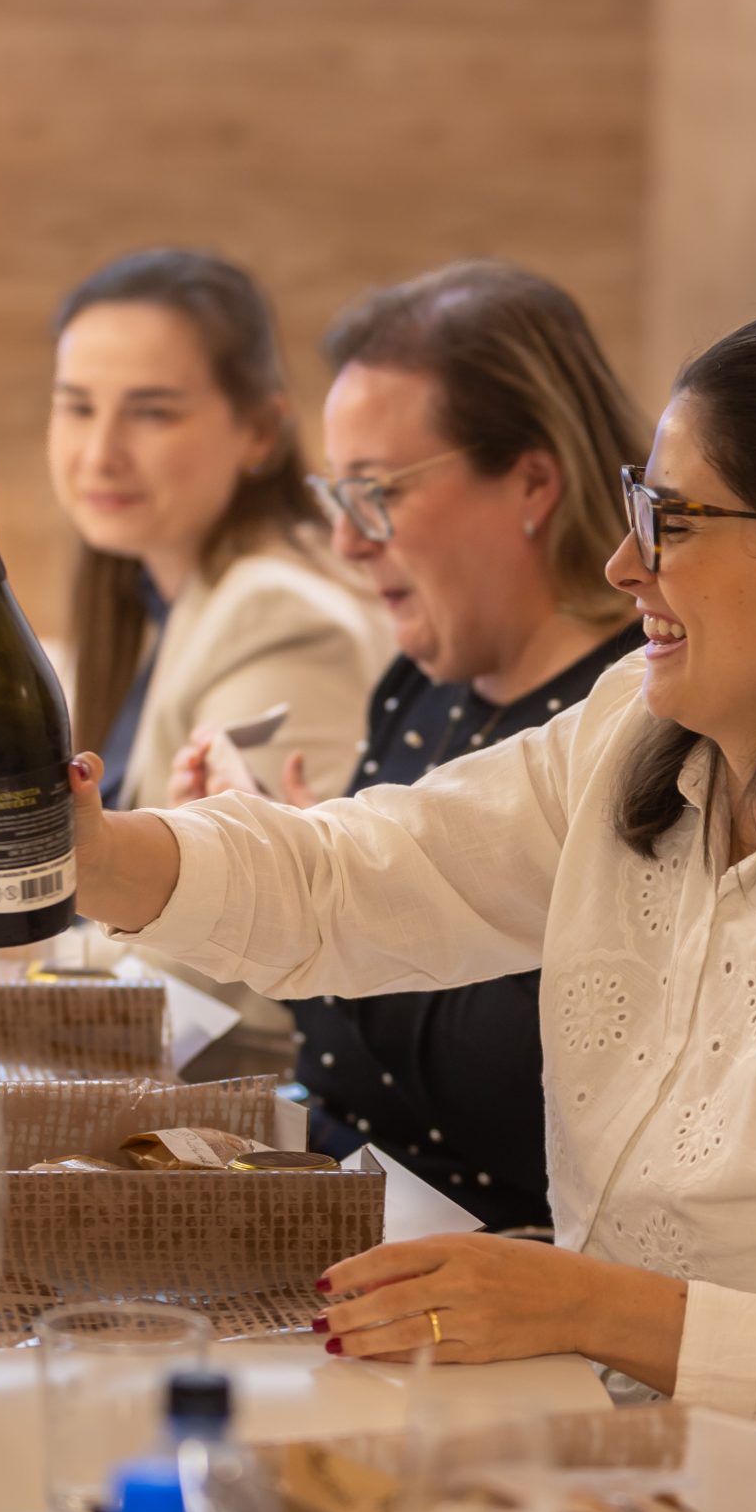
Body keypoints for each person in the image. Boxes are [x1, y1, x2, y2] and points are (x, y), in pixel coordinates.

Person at [63, 297, 756, 1491]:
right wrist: (86, 848)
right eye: (635, 505)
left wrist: (593, 1307)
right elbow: (359, 872)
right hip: (597, 1445)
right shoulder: (642, 733)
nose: (623, 564)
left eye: (670, 522)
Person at [163, 260, 647, 1229]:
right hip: (330, 1202)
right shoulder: (420, 685)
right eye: (336, 497)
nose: (347, 542)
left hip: (498, 1264)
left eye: (375, 494)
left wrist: (304, 891)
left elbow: (529, 1090)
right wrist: (294, 863)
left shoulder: (632, 722)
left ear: (532, 482)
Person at [43, 248, 387, 813]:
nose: (100, 455)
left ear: (259, 431)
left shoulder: (280, 614)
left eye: (151, 413)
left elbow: (244, 866)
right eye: (78, 408)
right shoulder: (148, 593)